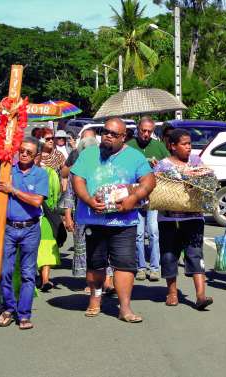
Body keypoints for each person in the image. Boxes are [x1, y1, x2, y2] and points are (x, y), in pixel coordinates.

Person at [71, 118, 156, 323]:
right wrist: (89, 200)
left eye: (113, 134)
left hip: (123, 223)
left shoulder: (134, 156)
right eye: (105, 131)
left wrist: (133, 198)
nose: (108, 136)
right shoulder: (88, 154)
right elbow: (77, 180)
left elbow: (149, 180)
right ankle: (95, 299)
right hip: (94, 219)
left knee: (125, 265)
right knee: (95, 265)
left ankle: (125, 308)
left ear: (124, 137)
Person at [0, 137, 48, 330]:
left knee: (28, 274)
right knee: (4, 271)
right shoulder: (7, 171)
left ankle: (24, 314)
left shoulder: (40, 174)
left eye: (29, 152)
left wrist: (12, 189)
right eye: (21, 150)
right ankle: (8, 307)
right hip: (7, 228)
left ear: (36, 156)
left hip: (30, 229)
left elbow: (37, 201)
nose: (23, 154)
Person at [154, 129, 213, 310]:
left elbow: (208, 179)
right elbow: (153, 185)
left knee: (195, 253)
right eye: (185, 144)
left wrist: (197, 177)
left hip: (193, 216)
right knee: (169, 254)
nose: (189, 147)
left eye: (190, 144)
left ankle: (201, 295)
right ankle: (172, 292)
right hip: (168, 219)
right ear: (172, 146)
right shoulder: (163, 165)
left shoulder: (196, 161)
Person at [126, 116, 170, 282]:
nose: (146, 134)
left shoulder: (158, 146)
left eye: (149, 132)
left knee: (153, 232)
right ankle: (140, 267)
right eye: (143, 131)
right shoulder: (129, 146)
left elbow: (168, 168)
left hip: (152, 196)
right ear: (138, 129)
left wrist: (158, 165)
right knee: (138, 234)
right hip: (135, 196)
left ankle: (155, 268)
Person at [61, 137, 100, 287]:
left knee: (102, 248)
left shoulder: (103, 167)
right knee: (83, 248)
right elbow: (69, 195)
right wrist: (68, 217)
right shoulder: (76, 170)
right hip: (82, 216)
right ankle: (89, 282)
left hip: (102, 215)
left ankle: (106, 281)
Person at [36, 147, 62, 292]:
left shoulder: (50, 173)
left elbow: (55, 195)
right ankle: (39, 278)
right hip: (29, 217)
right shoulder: (16, 173)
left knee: (45, 246)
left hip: (44, 215)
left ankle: (45, 279)